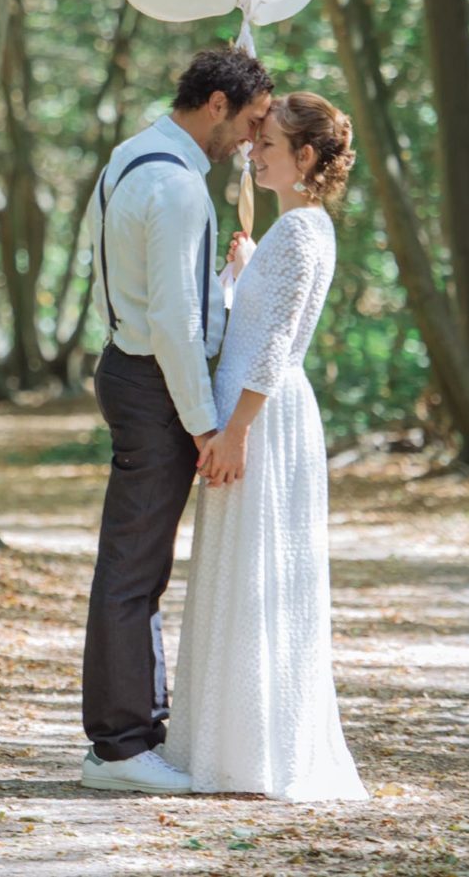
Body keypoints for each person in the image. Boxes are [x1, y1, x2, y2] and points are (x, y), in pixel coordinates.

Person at [163, 92, 368, 800]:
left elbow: (276, 343)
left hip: (263, 418)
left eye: (270, 146)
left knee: (257, 573)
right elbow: (261, 316)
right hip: (259, 409)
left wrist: (236, 431)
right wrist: (246, 268)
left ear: (305, 157)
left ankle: (252, 753)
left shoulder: (302, 233)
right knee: (242, 570)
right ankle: (235, 742)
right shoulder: (294, 232)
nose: (254, 151)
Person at [81, 46, 274, 794]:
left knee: (134, 564)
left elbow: (162, 295)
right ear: (219, 105)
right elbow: (171, 323)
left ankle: (128, 733)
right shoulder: (180, 187)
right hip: (153, 384)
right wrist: (202, 425)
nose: (254, 142)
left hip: (130, 369)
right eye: (253, 122)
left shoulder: (133, 156)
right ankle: (122, 746)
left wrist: (223, 283)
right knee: (134, 569)